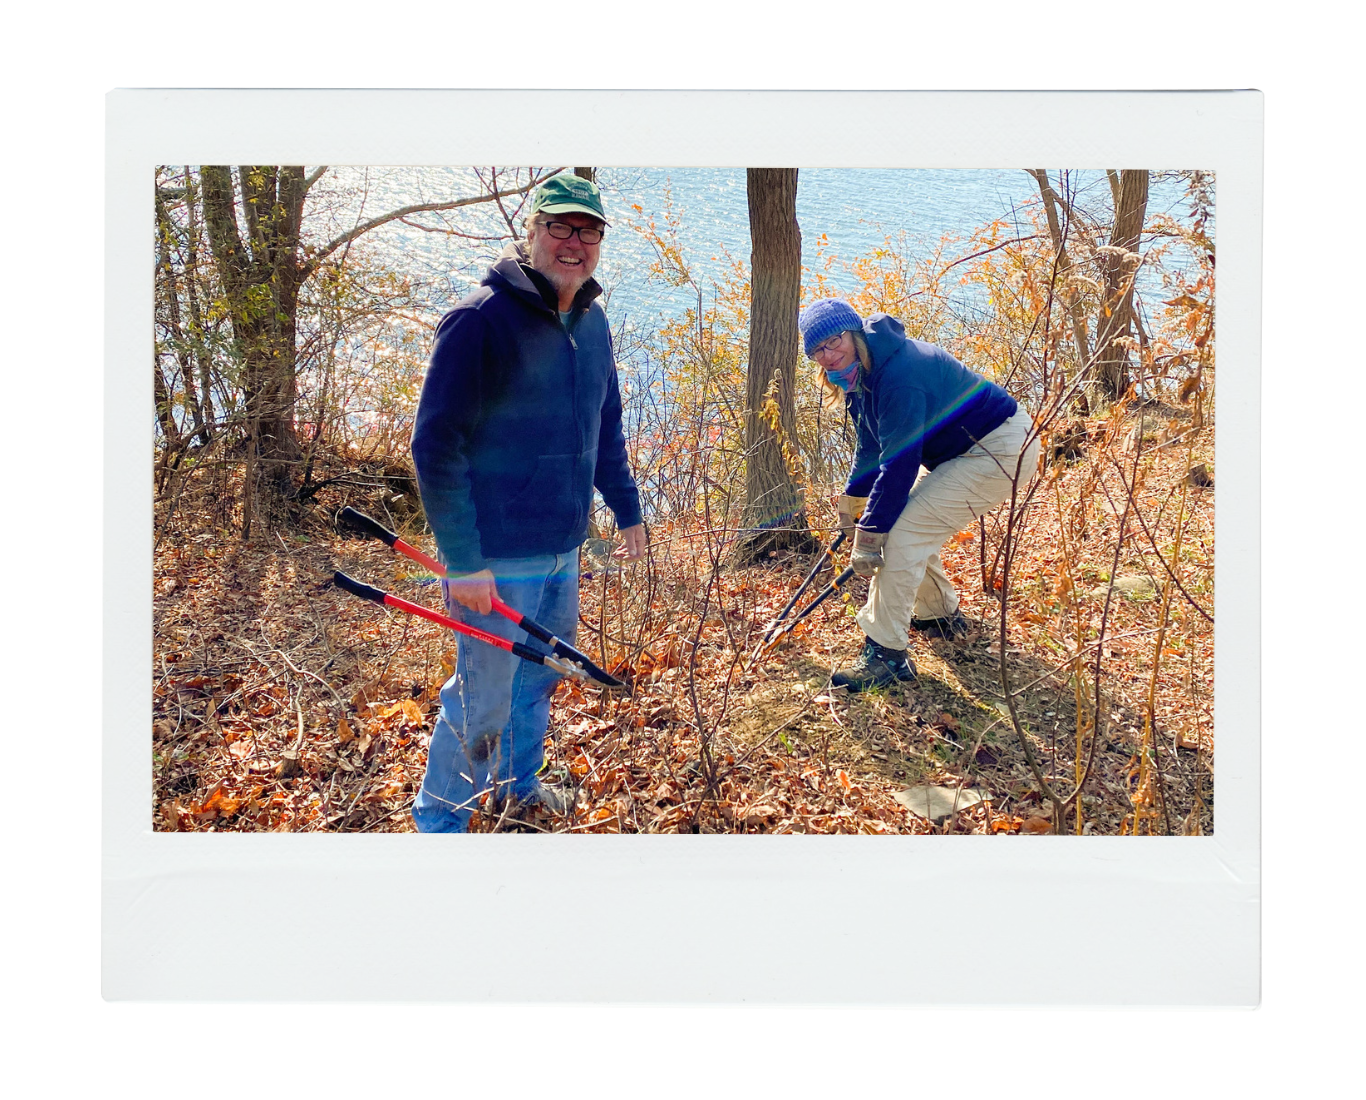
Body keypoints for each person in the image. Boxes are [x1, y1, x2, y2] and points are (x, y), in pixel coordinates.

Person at [410, 174, 646, 832]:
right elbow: (436, 448)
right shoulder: (478, 321)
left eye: (588, 230)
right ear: (533, 230)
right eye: (560, 227)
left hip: (563, 547)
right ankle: (441, 824)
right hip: (495, 558)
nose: (574, 242)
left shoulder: (591, 322)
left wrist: (626, 509)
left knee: (537, 680)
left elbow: (606, 427)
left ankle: (519, 789)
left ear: (600, 241)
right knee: (482, 698)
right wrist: (463, 560)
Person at [796, 298, 1040, 692]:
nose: (827, 355)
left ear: (853, 332)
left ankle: (885, 656)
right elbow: (872, 446)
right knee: (905, 522)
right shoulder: (863, 372)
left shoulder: (898, 375)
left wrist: (871, 534)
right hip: (968, 450)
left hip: (998, 451)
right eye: (816, 350)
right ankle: (937, 614)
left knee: (901, 532)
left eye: (834, 341)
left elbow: (901, 464)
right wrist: (854, 502)